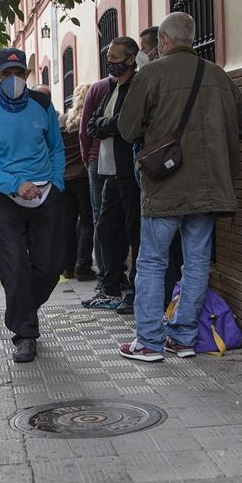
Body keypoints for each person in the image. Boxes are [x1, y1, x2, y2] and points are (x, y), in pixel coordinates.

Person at [115, 12, 241, 362]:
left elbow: (127, 129)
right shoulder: (218, 75)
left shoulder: (150, 74)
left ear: (165, 42)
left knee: (152, 262)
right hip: (209, 186)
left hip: (164, 184)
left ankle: (150, 342)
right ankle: (184, 337)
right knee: (197, 262)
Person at [0, 49, 66, 363]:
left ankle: (22, 308)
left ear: (27, 74)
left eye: (19, 73)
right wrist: (15, 184)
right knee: (15, 266)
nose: (14, 79)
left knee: (50, 264)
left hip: (45, 193)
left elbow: (56, 147)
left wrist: (56, 184)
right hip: (4, 196)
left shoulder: (42, 105)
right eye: (6, 73)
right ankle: (25, 334)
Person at [83, 36, 142, 314]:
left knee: (135, 233)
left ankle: (134, 290)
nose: (111, 63)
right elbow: (94, 125)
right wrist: (108, 125)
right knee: (106, 229)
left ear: (131, 59)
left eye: (116, 59)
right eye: (109, 58)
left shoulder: (136, 87)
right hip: (109, 172)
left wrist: (106, 125)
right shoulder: (110, 89)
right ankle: (108, 288)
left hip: (129, 172)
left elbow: (127, 124)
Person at [77, 73, 113, 291]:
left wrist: (87, 157)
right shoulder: (137, 82)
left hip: (95, 158)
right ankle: (109, 275)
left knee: (100, 217)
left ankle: (104, 276)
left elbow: (84, 129)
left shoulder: (97, 88)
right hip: (116, 160)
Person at [59, 82, 96, 281]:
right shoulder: (90, 119)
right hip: (83, 176)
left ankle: (67, 266)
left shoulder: (63, 120)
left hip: (64, 177)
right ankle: (83, 265)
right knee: (88, 221)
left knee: (68, 223)